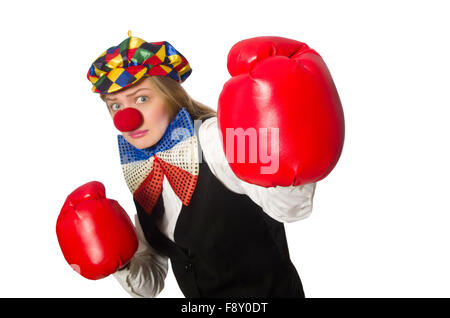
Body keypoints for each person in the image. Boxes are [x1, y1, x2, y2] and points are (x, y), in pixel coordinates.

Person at [86, 31, 317, 298]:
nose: (125, 119)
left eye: (142, 98)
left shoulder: (218, 139)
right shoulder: (142, 171)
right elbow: (151, 284)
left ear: (170, 96)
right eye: (115, 106)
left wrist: (289, 154)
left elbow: (290, 210)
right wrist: (119, 260)